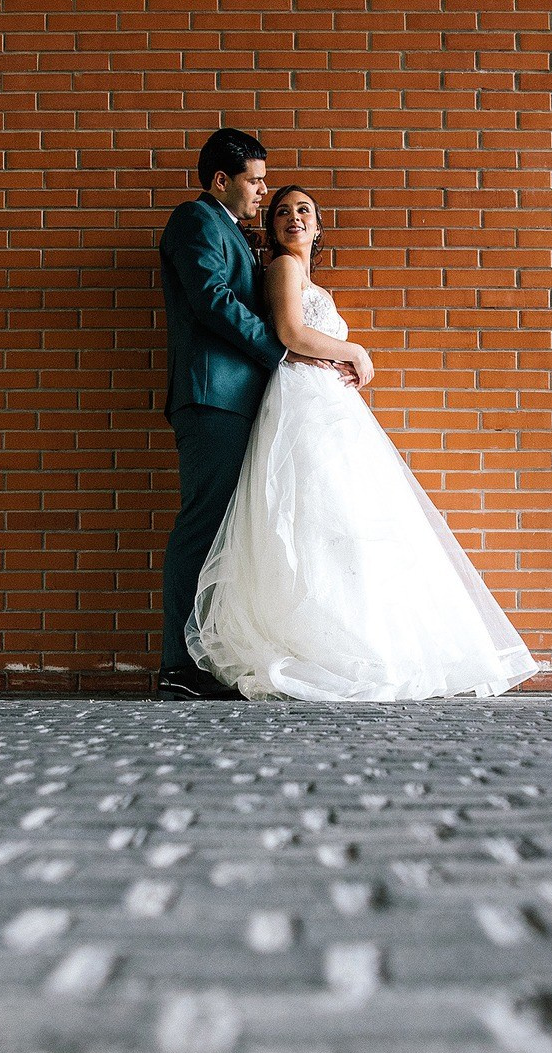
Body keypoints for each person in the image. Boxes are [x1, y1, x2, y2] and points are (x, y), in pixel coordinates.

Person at [184, 185, 541, 701]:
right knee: (316, 513)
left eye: (304, 210)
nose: (293, 218)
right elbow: (289, 332)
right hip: (302, 402)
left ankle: (357, 644)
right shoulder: (283, 268)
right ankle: (321, 647)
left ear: (319, 226)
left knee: (346, 518)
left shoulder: (308, 279)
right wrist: (354, 351)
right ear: (272, 227)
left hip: (328, 403)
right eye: (282, 211)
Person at [154, 129, 363, 700]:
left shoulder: (236, 235)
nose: (263, 191)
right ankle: (178, 667)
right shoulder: (195, 220)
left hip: (241, 401)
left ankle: (211, 656)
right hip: (212, 397)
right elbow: (212, 300)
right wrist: (285, 351)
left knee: (232, 532)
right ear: (222, 180)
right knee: (203, 527)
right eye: (256, 180)